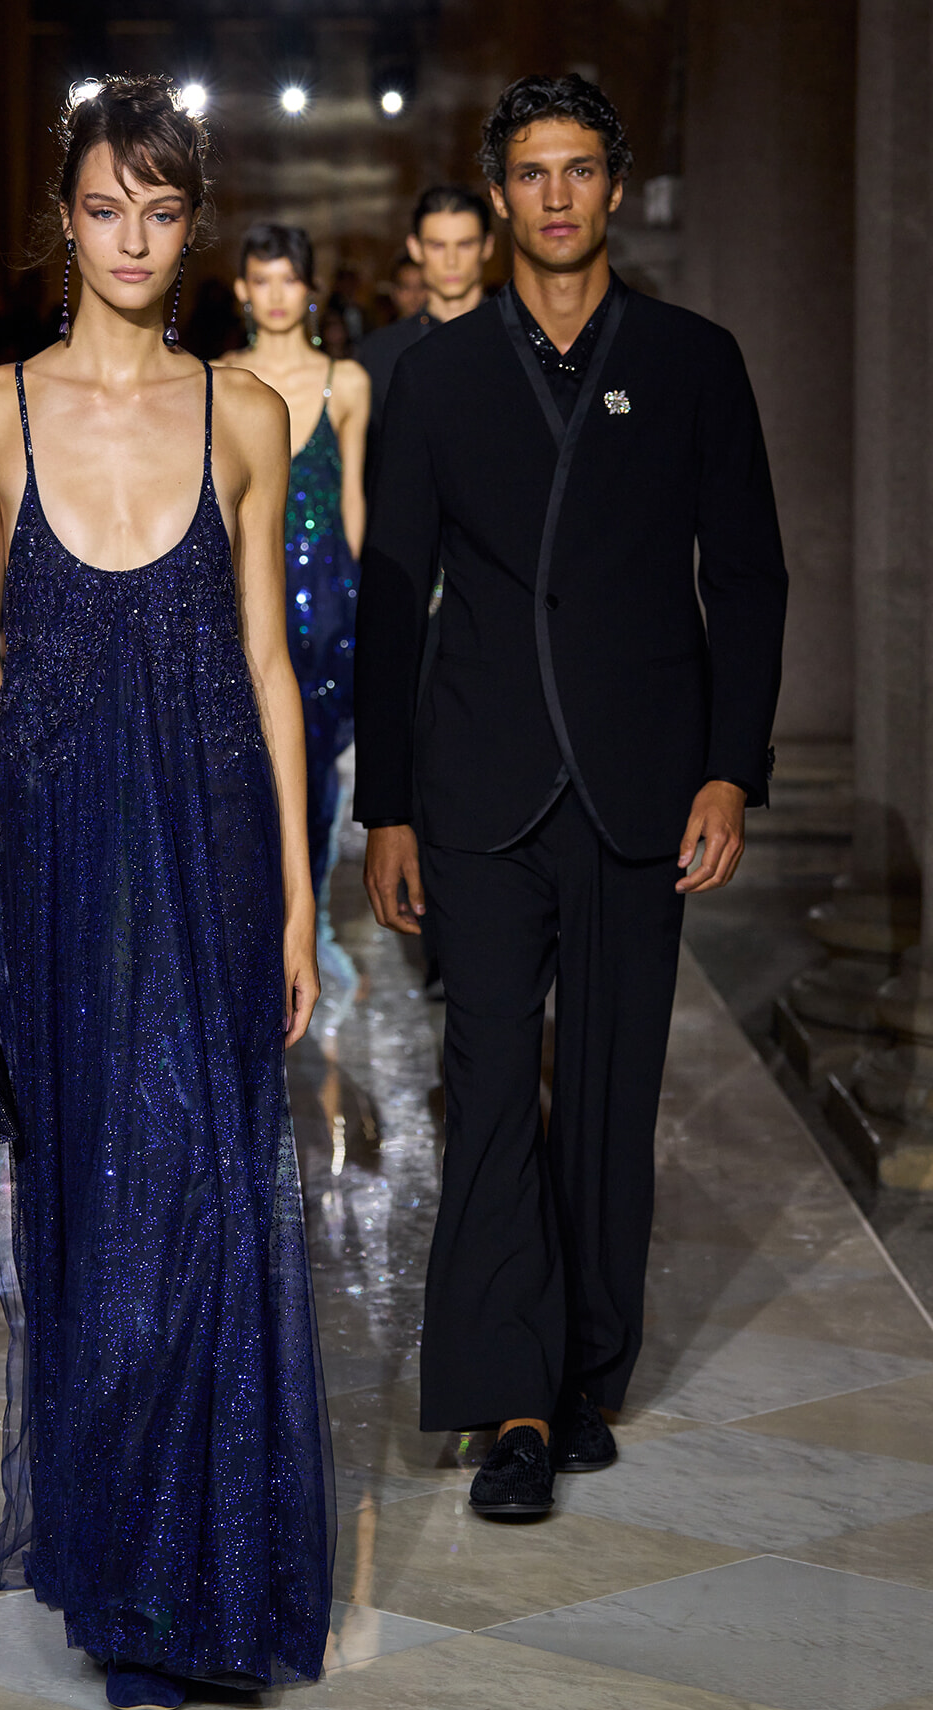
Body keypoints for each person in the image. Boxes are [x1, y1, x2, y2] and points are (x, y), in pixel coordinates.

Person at [0, 76, 333, 1710]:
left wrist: (299, 902)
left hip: (216, 854)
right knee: (100, 1221)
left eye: (164, 208)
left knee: (205, 1207)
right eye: (108, 207)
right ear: (64, 217)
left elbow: (270, 669)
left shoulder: (245, 415)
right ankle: (130, 1582)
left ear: (193, 219)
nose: (136, 237)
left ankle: (202, 1581)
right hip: (64, 869)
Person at [354, 73, 787, 1519]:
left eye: (579, 169)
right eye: (529, 171)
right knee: (487, 1087)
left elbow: (748, 576)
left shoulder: (692, 360)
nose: (554, 195)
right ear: (496, 194)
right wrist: (389, 804)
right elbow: (390, 590)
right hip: (476, 781)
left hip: (641, 783)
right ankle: (512, 1402)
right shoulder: (436, 376)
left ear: (615, 185)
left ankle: (591, 1367)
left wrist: (733, 767)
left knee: (609, 1092)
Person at [221, 221, 369, 911]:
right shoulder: (216, 379)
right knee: (243, 769)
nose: (276, 295)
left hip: (329, 606)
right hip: (243, 597)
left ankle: (298, 925)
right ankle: (253, 921)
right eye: (263, 278)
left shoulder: (347, 382)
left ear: (310, 290)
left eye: (290, 279)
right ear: (243, 289)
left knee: (312, 777)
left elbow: (353, 502)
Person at [356, 185, 495, 478]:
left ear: (487, 246)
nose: (452, 261)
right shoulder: (378, 354)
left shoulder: (522, 340)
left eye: (466, 244)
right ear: (415, 248)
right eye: (437, 245)